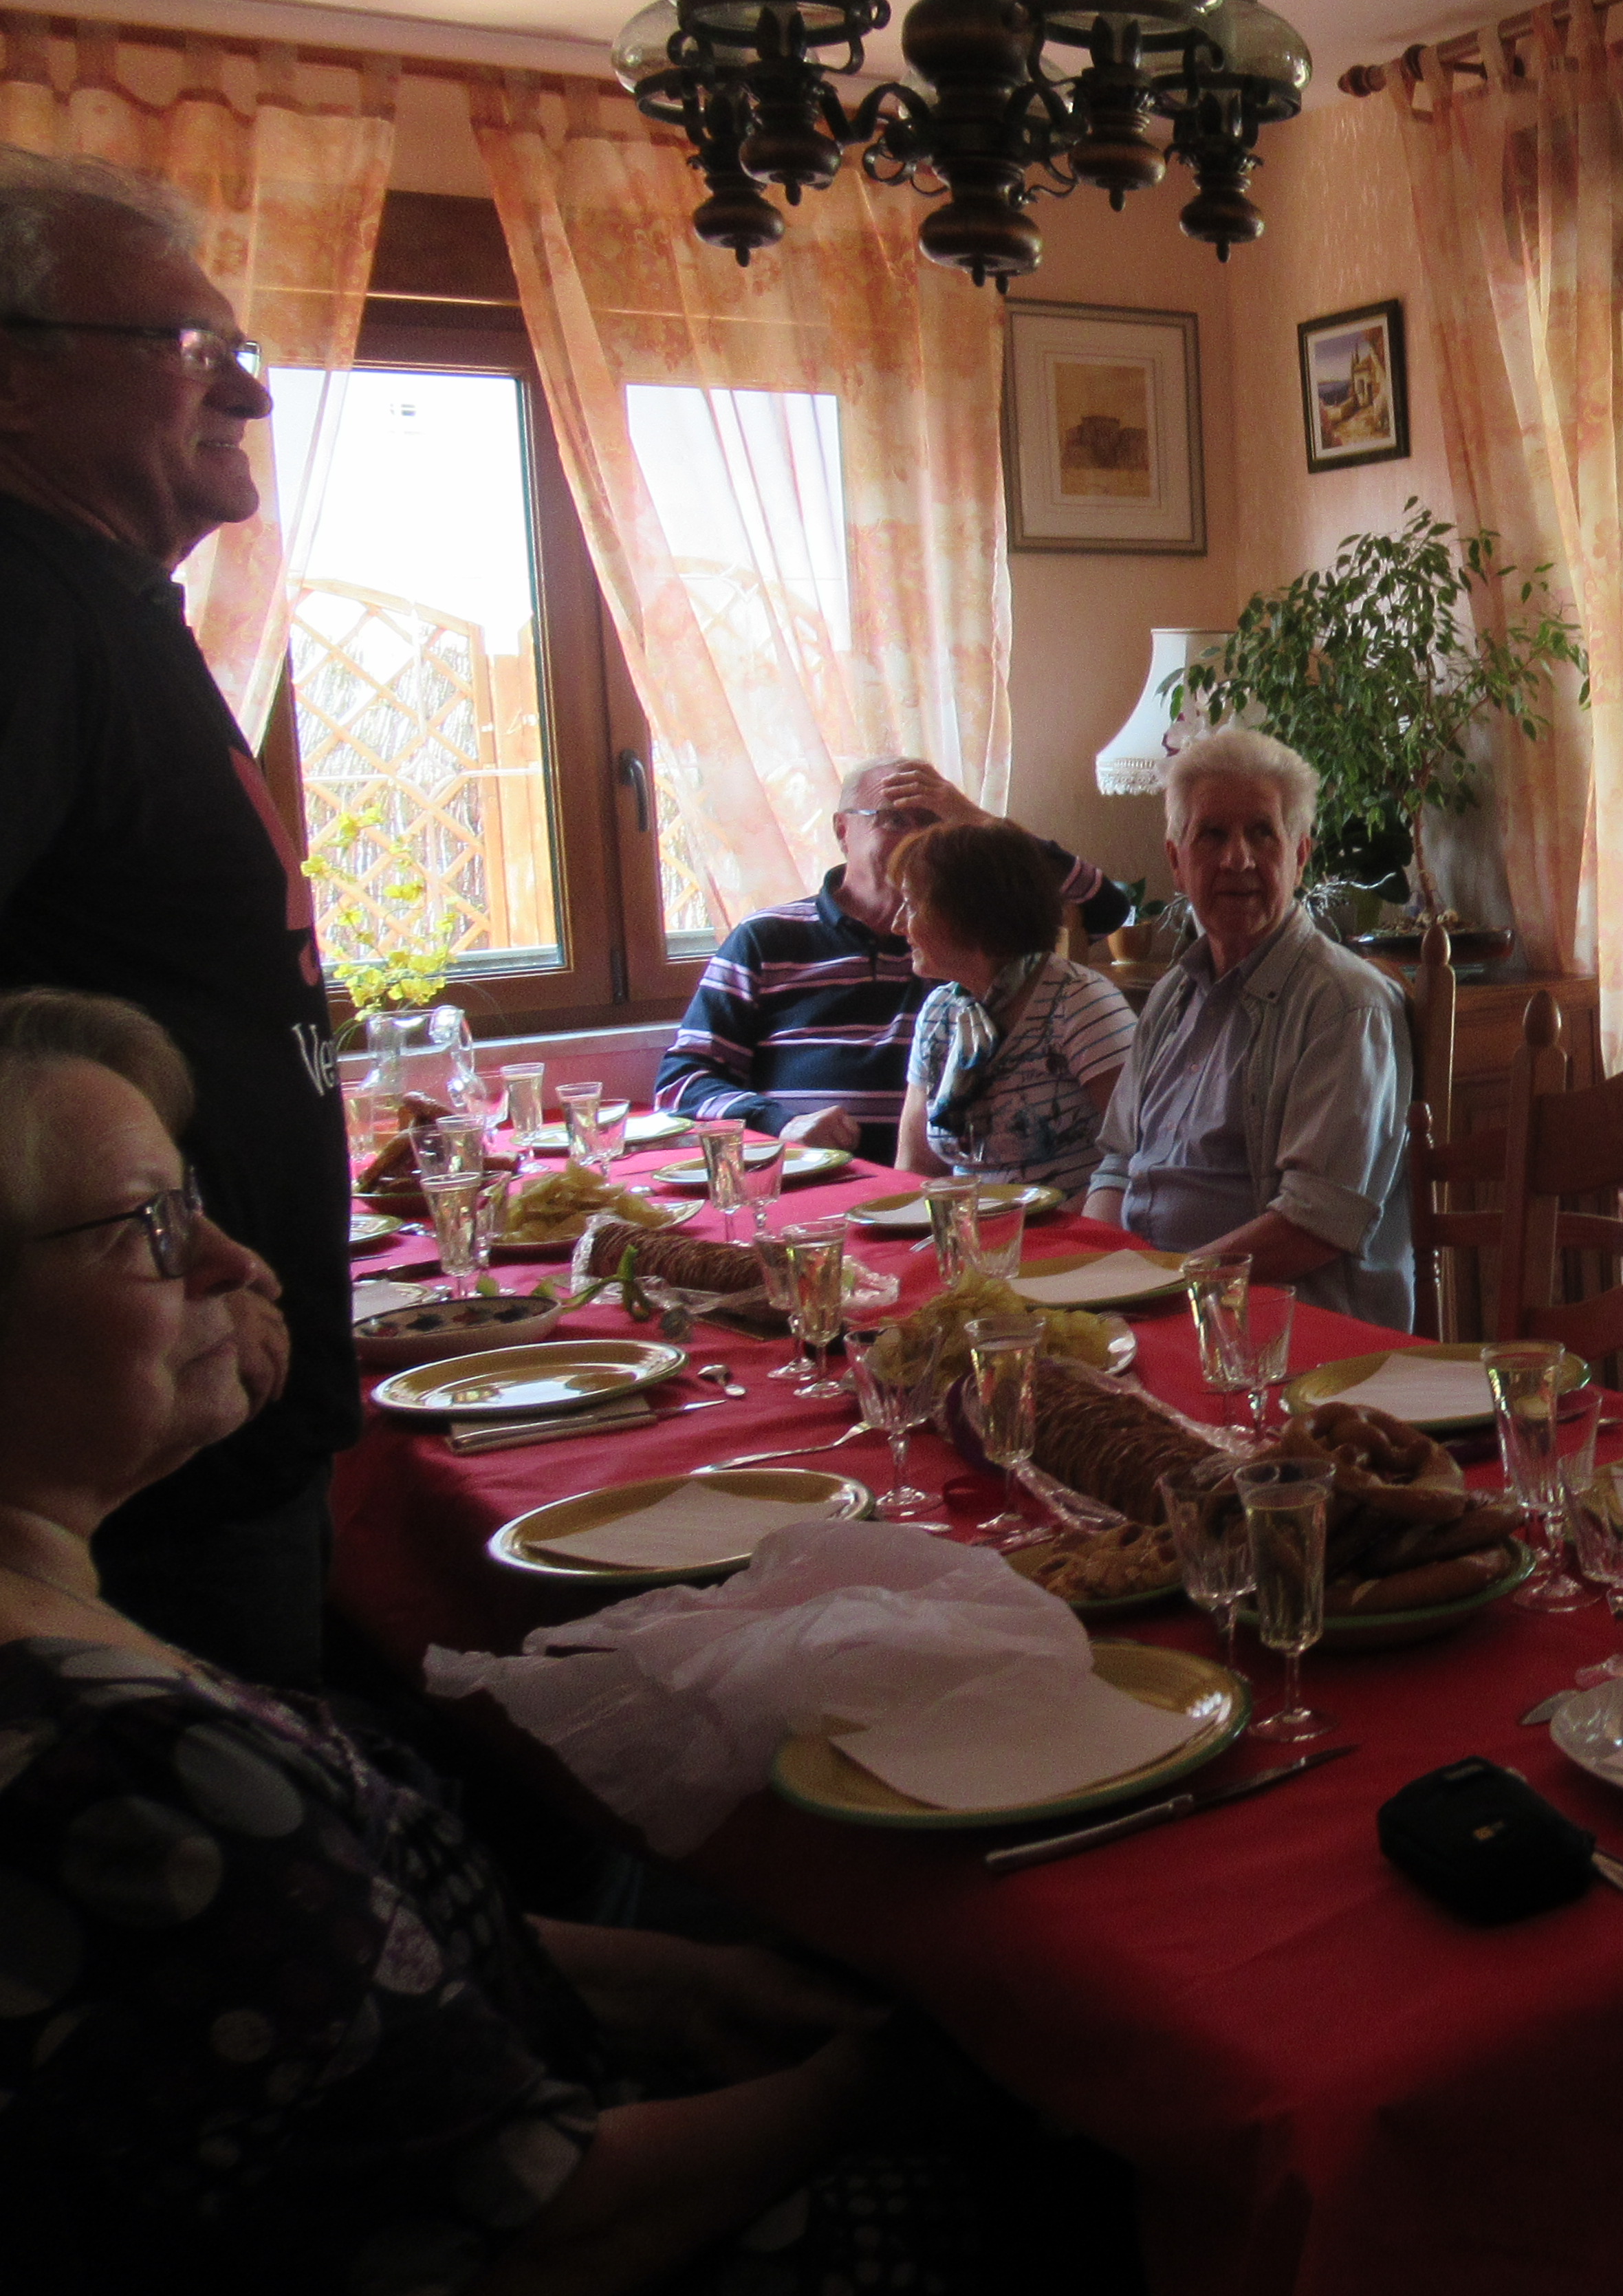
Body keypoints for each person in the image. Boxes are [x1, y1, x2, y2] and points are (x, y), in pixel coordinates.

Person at [0, 986, 1136, 2293]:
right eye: (148, 1228)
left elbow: (337, 1966)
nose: (237, 1262)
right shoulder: (120, 1777)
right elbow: (551, 2224)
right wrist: (883, 2079)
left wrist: (689, 1985)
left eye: (193, 1202)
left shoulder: (71, 1639)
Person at [0, 149, 334, 1689]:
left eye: (242, 352)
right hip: (128, 1460)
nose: (250, 394)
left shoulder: (102, 601)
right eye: (193, 348)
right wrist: (163, 1261)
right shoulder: (24, 607)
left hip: (195, 1424)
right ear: (14, 379)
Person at [1085, 728, 1414, 1328]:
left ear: (1300, 855)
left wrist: (1156, 1291)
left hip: (1282, 1328)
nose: (1238, 859)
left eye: (1263, 832)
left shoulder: (1344, 1005)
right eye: (1212, 834)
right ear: (1176, 861)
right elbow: (1117, 1164)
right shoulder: (1170, 996)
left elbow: (1315, 1223)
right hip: (1158, 1308)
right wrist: (1098, 1285)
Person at [657, 755, 1130, 1162]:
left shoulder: (962, 946)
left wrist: (972, 819)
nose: (917, 838)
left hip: (942, 1175)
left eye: (932, 821)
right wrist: (780, 1123)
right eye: (895, 819)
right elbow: (682, 1081)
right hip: (812, 1177)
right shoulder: (767, 938)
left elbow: (1105, 908)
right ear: (843, 830)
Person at [891, 817, 1137, 1198]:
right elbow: (914, 1169)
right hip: (971, 1227)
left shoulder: (1080, 1003)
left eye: (911, 906)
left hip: (1071, 1228)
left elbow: (1140, 1156)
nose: (897, 925)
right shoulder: (940, 1013)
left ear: (966, 912)